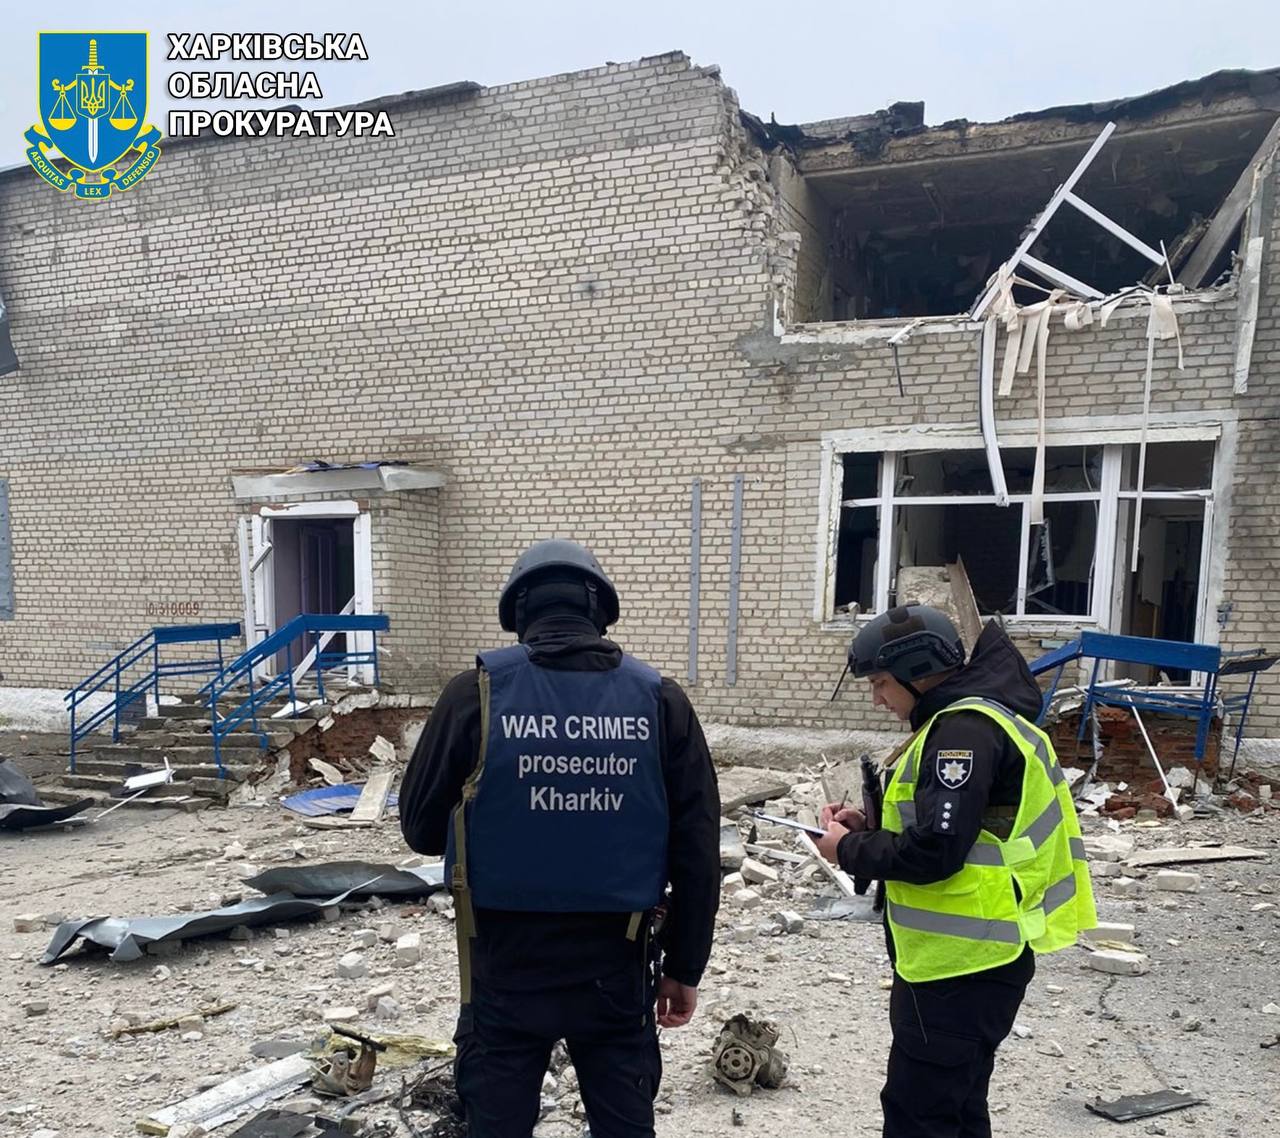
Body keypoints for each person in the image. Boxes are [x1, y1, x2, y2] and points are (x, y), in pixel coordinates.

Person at [399, 539, 720, 1138]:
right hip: (618, 964)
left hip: (504, 963)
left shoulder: (474, 693)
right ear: (600, 610)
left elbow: (421, 830)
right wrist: (686, 965)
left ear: (519, 612)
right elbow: (697, 848)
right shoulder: (660, 700)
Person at [815, 604, 1096, 1138]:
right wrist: (866, 827)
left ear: (916, 669)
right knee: (959, 1112)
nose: (877, 698)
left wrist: (848, 850)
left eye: (879, 682)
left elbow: (936, 851)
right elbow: (967, 828)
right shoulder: (973, 722)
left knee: (919, 1116)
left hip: (960, 967)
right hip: (974, 960)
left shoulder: (961, 732)